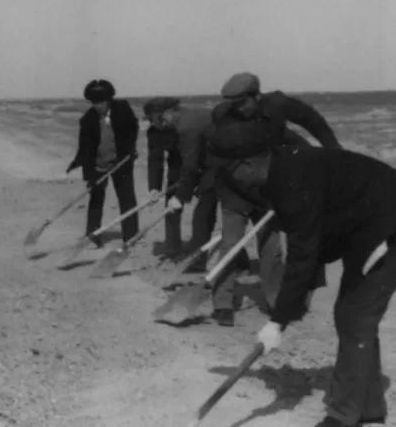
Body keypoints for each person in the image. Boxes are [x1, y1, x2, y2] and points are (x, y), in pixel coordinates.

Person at [218, 144, 396, 427]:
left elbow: (303, 253)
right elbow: (312, 243)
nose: (239, 181)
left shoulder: (290, 180)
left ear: (249, 163)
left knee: (356, 315)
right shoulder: (282, 172)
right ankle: (369, 408)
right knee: (354, 317)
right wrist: (294, 301)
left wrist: (278, 321)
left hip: (390, 227)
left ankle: (344, 415)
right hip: (363, 224)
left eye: (235, 173)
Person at [167, 72, 341, 326]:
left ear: (256, 96)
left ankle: (275, 302)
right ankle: (223, 304)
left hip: (268, 191)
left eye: (242, 103)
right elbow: (220, 163)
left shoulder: (277, 105)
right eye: (233, 103)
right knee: (231, 245)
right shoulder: (223, 118)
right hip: (234, 190)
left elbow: (311, 122)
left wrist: (331, 152)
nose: (237, 108)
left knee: (272, 250)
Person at [67, 79, 140, 246]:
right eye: (94, 103)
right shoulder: (87, 120)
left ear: (109, 100)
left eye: (101, 102)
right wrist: (79, 165)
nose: (98, 106)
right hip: (98, 165)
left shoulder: (123, 109)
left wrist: (131, 149)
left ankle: (131, 236)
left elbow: (133, 128)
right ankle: (93, 236)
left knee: (127, 199)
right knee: (96, 198)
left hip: (121, 163)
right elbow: (85, 148)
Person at [143, 97, 187, 259]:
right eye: (150, 119)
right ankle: (173, 249)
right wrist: (154, 188)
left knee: (206, 212)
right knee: (171, 207)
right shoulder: (154, 133)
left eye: (156, 118)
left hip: (200, 167)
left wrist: (184, 190)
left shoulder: (183, 126)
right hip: (176, 169)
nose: (155, 123)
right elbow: (155, 160)